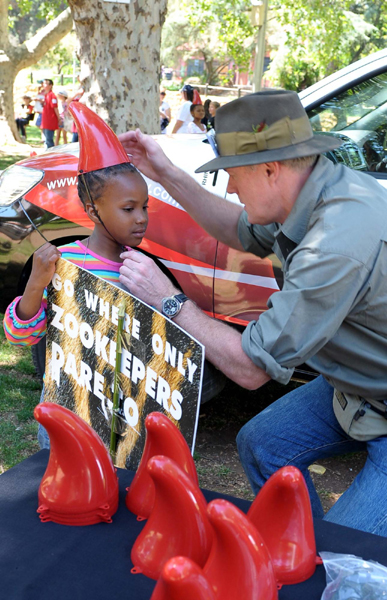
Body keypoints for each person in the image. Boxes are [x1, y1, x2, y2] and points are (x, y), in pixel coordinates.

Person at [118, 89, 387, 536]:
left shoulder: (337, 242)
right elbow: (239, 230)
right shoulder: (311, 186)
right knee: (265, 445)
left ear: (269, 168)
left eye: (233, 174)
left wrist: (168, 299)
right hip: (359, 386)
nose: (229, 185)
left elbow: (250, 369)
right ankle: (299, 549)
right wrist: (164, 170)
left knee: (347, 553)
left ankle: (330, 559)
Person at [3, 102, 149, 449]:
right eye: (128, 209)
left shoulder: (144, 272)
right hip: (64, 418)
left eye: (145, 207)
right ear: (92, 209)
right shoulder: (64, 263)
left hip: (121, 421)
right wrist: (36, 283)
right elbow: (19, 335)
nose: (141, 218)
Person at [41, 79, 60, 149]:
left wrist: (59, 118)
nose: (44, 85)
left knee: (49, 139)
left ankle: (50, 153)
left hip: (50, 120)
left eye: (46, 84)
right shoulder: (46, 95)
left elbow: (55, 107)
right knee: (46, 139)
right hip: (45, 120)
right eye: (43, 83)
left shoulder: (52, 96)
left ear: (50, 85)